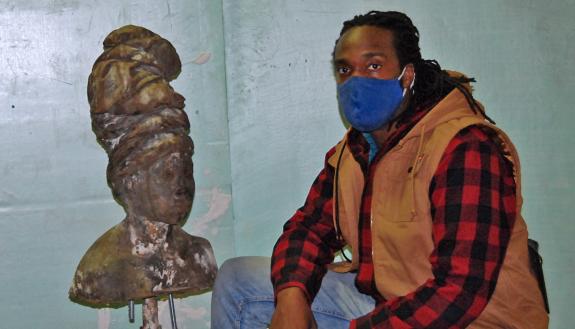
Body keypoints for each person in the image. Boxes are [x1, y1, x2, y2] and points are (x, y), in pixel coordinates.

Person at [211, 11, 549, 329]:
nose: (356, 81)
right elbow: (308, 230)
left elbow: (460, 291)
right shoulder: (354, 151)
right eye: (345, 70)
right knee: (239, 282)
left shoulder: (465, 147)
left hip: (473, 320)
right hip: (385, 303)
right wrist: (291, 299)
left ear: (408, 74)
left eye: (373, 65)